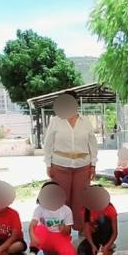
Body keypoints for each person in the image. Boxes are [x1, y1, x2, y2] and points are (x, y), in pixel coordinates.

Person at [43, 93, 97, 231]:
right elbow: (48, 143)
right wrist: (48, 164)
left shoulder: (86, 121)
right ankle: (59, 230)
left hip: (82, 166)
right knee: (61, 199)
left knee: (81, 200)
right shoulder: (55, 121)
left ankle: (82, 228)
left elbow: (92, 144)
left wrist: (93, 164)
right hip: (60, 165)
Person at [25, 181, 76, 255]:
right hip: (45, 237)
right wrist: (33, 237)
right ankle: (33, 254)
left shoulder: (66, 210)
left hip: (59, 237)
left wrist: (64, 229)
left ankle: (53, 251)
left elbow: (68, 231)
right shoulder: (40, 208)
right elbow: (32, 225)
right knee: (40, 228)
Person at [78, 186, 119, 255]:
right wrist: (92, 245)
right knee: (82, 252)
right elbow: (86, 230)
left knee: (102, 219)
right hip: (94, 235)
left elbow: (115, 232)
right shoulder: (85, 210)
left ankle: (107, 244)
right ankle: (97, 246)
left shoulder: (109, 208)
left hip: (106, 233)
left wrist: (107, 246)